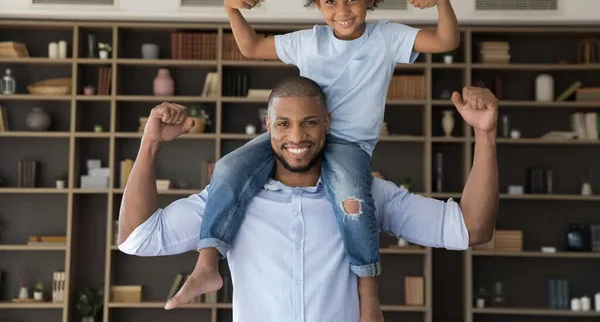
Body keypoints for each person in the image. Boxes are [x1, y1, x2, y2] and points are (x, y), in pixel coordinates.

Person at [171, 0, 461, 318]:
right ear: (316, 3)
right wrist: (230, 9)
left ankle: (368, 294)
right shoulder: (308, 41)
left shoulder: (388, 37)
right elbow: (252, 46)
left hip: (347, 146)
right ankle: (207, 266)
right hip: (299, 133)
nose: (343, 11)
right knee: (229, 168)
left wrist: (442, 0)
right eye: (331, 2)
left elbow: (445, 42)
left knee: (353, 200)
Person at [117, 76, 499, 322]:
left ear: (327, 124)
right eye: (283, 124)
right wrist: (150, 144)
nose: (296, 137)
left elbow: (472, 228)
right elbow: (137, 238)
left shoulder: (366, 195)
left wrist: (484, 135)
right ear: (267, 126)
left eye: (309, 123)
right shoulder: (227, 199)